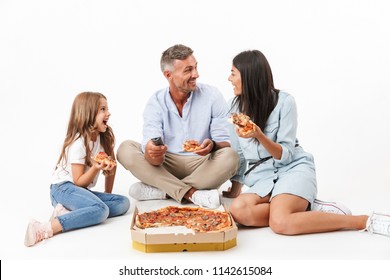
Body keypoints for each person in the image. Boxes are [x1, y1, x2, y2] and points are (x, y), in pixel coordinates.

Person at [226, 49, 390, 237]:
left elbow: (285, 154)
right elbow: (238, 152)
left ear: (249, 77)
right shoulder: (233, 107)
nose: (229, 79)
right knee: (238, 211)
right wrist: (235, 187)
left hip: (292, 169)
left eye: (233, 73)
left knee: (280, 223)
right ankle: (304, 208)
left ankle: (364, 220)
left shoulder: (284, 102)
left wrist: (259, 135)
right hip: (262, 178)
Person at [117, 44, 239, 209]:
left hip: (201, 163)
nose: (196, 74)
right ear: (169, 75)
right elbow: (150, 149)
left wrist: (212, 146)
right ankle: (192, 194)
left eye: (195, 68)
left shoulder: (212, 95)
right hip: (167, 163)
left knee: (231, 157)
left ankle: (162, 190)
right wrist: (153, 152)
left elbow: (224, 143)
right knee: (125, 149)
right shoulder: (155, 102)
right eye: (188, 70)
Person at [24, 92, 130, 247]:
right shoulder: (78, 144)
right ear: (88, 113)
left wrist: (107, 194)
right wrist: (95, 168)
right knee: (101, 210)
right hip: (62, 189)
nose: (108, 113)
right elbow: (79, 182)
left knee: (122, 203)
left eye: (107, 109)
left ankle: (69, 212)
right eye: (103, 109)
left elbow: (111, 169)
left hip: (80, 191)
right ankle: (44, 228)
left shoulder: (104, 138)